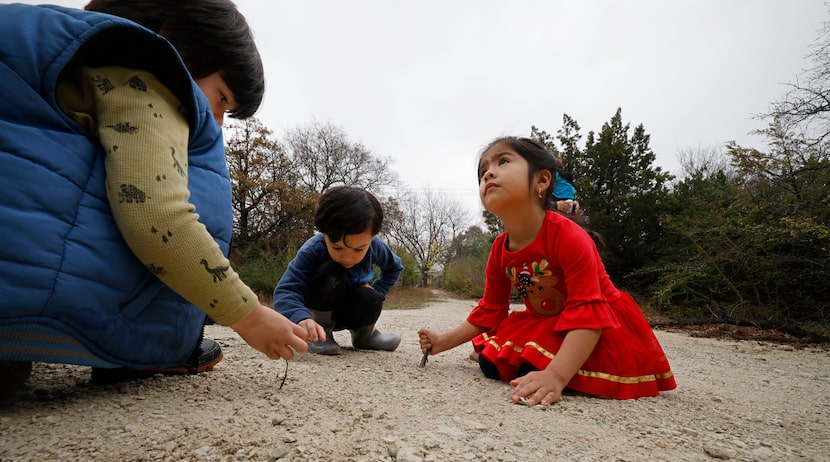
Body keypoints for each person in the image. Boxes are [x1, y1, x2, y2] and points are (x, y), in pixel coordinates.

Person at [0, 0, 309, 393]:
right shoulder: (146, 76)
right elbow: (158, 215)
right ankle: (136, 345)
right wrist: (248, 315)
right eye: (220, 100)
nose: (214, 124)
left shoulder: (68, 58)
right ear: (174, 42)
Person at [418, 137, 676, 405]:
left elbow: (589, 315)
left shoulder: (568, 236)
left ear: (541, 181)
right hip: (546, 320)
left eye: (503, 161)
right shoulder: (499, 249)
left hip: (597, 325)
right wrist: (442, 342)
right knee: (491, 366)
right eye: (483, 172)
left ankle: (556, 366)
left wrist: (556, 376)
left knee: (532, 370)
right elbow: (490, 312)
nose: (489, 173)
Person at [274, 186, 403, 355]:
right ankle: (320, 335)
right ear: (324, 233)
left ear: (372, 237)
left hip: (349, 309)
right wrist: (301, 318)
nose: (347, 257)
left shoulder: (375, 246)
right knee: (331, 269)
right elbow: (285, 290)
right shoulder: (313, 249)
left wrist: (378, 292)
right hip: (319, 310)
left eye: (358, 250)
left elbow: (394, 267)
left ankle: (365, 335)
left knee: (370, 294)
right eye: (337, 247)